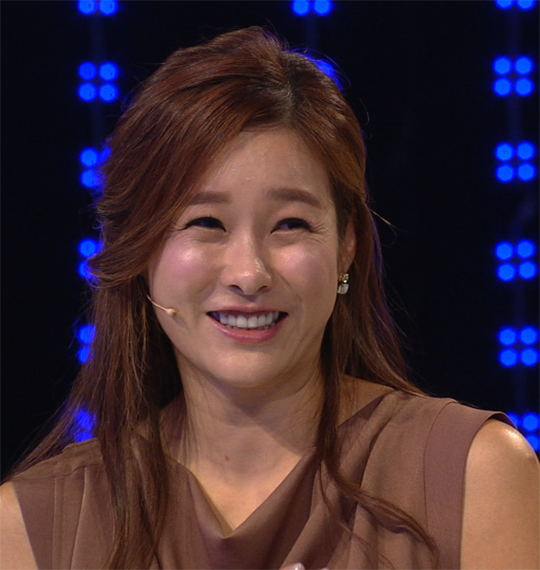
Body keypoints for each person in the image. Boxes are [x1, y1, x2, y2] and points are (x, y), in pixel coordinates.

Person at [1, 27, 538, 570]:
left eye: (290, 224)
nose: (249, 274)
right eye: (206, 223)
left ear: (346, 246)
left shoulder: (474, 475)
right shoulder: (31, 528)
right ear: (138, 250)